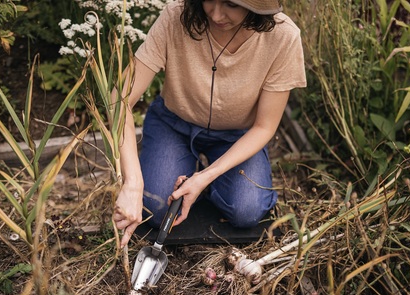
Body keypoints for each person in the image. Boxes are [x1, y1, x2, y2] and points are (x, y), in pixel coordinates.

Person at [112, 0, 306, 247]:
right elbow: (119, 102)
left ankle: (204, 179)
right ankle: (187, 173)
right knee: (156, 210)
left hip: (236, 136)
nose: (215, 14)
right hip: (174, 125)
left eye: (230, 4)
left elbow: (264, 127)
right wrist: (133, 183)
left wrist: (205, 177)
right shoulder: (175, 16)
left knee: (246, 211)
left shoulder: (283, 37)